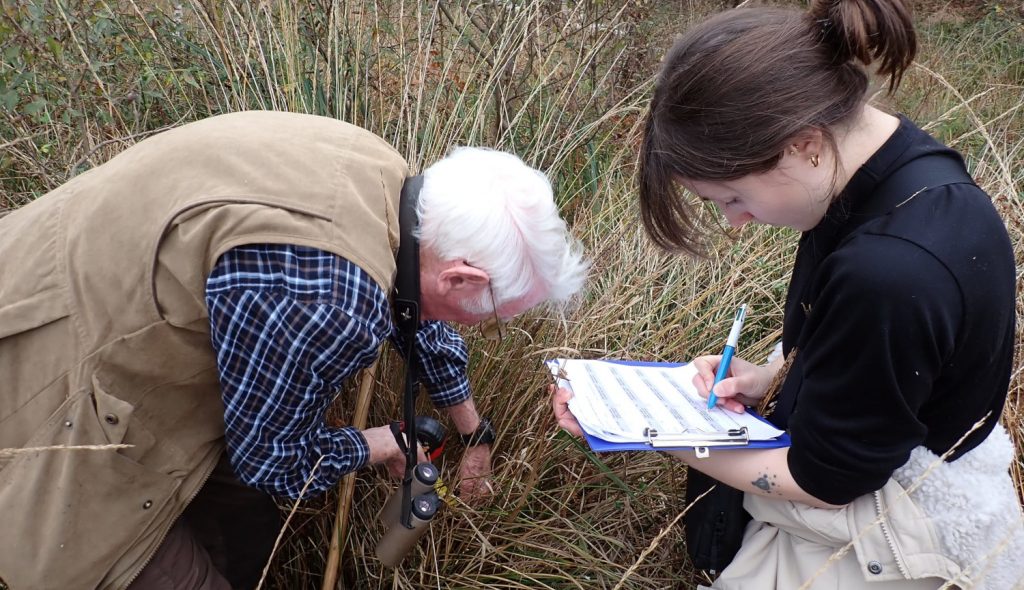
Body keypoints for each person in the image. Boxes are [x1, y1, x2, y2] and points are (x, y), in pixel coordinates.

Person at [0, 111, 588, 590]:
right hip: (48, 393)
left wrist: (473, 431)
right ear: (460, 278)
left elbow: (412, 310)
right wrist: (377, 443)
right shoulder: (330, 301)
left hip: (53, 279)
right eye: (488, 318)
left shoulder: (384, 178)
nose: (477, 328)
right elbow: (272, 463)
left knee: (245, 527)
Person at [552, 1, 1023, 588]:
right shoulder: (890, 168)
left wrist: (648, 432)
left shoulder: (889, 273)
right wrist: (773, 374)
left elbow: (826, 482)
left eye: (731, 197)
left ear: (803, 144)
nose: (735, 223)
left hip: (894, 544)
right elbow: (884, 358)